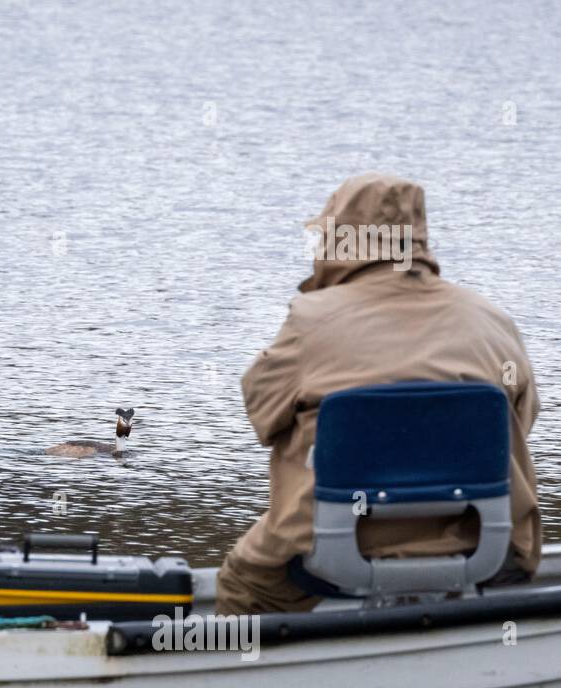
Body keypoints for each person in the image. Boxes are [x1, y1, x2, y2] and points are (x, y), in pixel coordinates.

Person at [218, 173, 541, 615]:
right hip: (481, 541)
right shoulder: (491, 320)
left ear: (339, 239)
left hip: (334, 546)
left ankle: (249, 673)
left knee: (246, 583)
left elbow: (262, 414)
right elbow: (522, 423)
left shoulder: (312, 321)